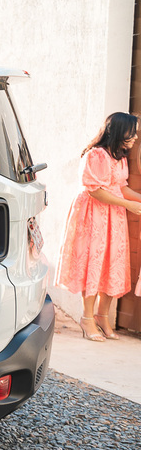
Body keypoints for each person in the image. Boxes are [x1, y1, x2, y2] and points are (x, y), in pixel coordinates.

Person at [55, 112, 141, 341]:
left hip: (114, 215)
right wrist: (128, 205)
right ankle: (87, 318)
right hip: (94, 214)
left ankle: (102, 316)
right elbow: (95, 190)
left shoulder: (120, 157)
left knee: (112, 263)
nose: (135, 137)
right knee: (94, 263)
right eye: (132, 132)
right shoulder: (96, 155)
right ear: (119, 130)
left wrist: (138, 199)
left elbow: (120, 187)